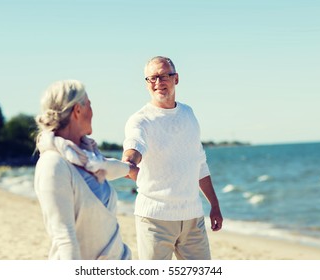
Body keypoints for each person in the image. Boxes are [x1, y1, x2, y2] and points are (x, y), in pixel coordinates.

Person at [122, 56, 223, 260]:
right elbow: (134, 144)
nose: (158, 83)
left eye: (164, 76)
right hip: (154, 220)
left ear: (176, 79)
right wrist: (129, 162)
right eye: (152, 78)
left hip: (193, 217)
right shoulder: (140, 120)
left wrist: (214, 205)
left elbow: (200, 164)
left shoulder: (188, 114)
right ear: (146, 83)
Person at [34, 79, 136, 260]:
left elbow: (109, 167)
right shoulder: (53, 166)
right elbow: (65, 239)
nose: (93, 111)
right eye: (89, 105)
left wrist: (131, 169)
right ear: (77, 110)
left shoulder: (88, 159)